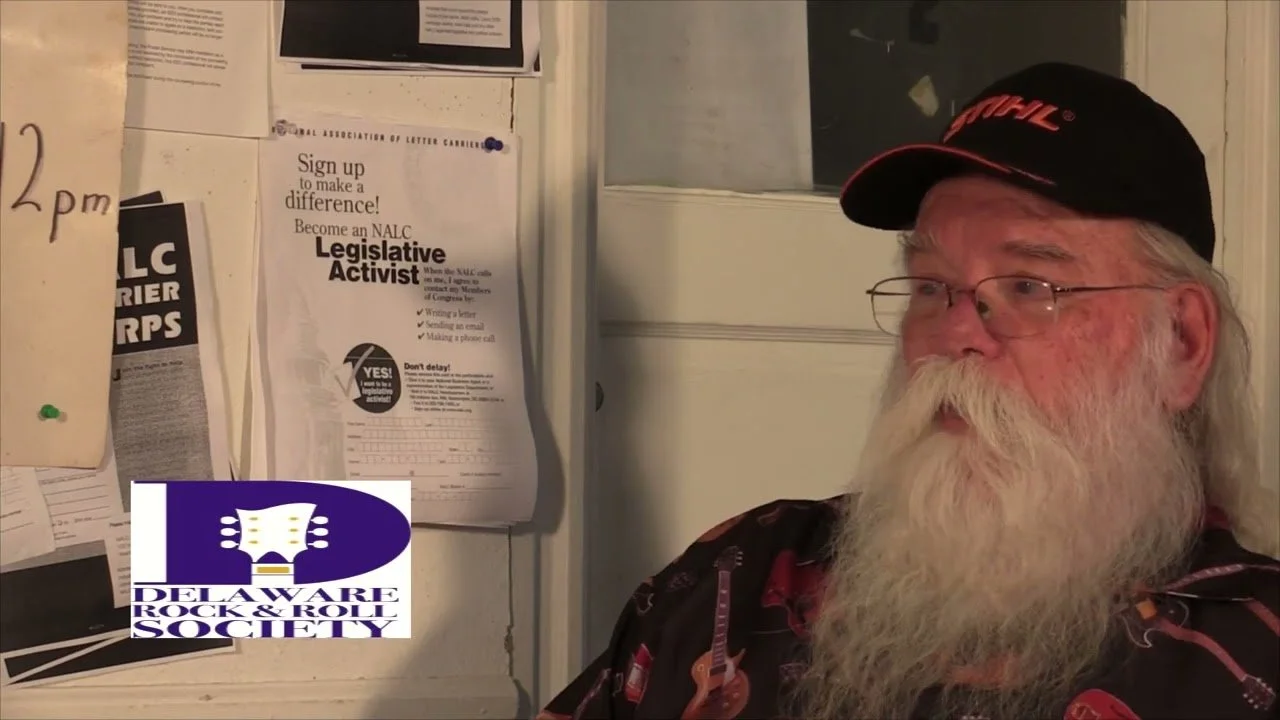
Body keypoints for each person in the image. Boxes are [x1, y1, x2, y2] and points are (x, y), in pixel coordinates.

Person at [537, 62, 1280, 720]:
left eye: (1027, 284)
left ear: (1181, 342)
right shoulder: (739, 578)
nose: (957, 332)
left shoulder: (1255, 656)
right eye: (931, 285)